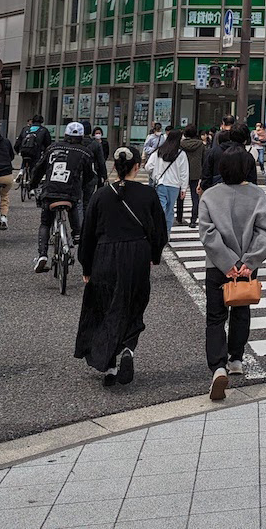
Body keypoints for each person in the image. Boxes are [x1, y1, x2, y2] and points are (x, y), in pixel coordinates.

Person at [76, 147, 167, 387]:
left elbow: (87, 234)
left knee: (105, 307)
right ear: (137, 166)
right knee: (134, 303)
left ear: (115, 167)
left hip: (105, 254)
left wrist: (86, 266)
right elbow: (159, 230)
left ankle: (110, 364)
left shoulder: (101, 195)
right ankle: (128, 346)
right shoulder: (148, 194)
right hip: (137, 253)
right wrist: (154, 255)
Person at [198, 148, 266, 400]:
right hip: (246, 267)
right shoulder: (257, 194)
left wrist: (227, 261)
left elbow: (207, 233)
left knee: (215, 317)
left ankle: (218, 367)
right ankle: (236, 359)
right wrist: (249, 261)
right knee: (241, 311)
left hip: (217, 266)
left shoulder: (210, 195)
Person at [32, 123, 104, 271]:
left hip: (50, 191)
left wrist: (32, 184)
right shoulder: (84, 152)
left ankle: (42, 255)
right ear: (81, 136)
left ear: (65, 134)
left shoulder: (52, 148)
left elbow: (39, 168)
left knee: (45, 223)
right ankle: (77, 234)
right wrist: (81, 184)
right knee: (73, 205)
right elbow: (90, 175)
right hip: (70, 192)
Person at [148, 129, 189, 233]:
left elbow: (149, 166)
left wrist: (155, 175)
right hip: (174, 186)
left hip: (161, 184)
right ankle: (167, 233)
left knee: (160, 209)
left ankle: (157, 232)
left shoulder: (159, 151)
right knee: (170, 210)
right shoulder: (181, 154)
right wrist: (184, 188)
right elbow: (184, 172)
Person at [179, 125, 205, 228]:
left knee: (181, 195)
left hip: (182, 172)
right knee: (195, 197)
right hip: (196, 172)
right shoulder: (200, 144)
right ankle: (193, 220)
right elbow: (204, 159)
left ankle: (179, 217)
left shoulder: (181, 144)